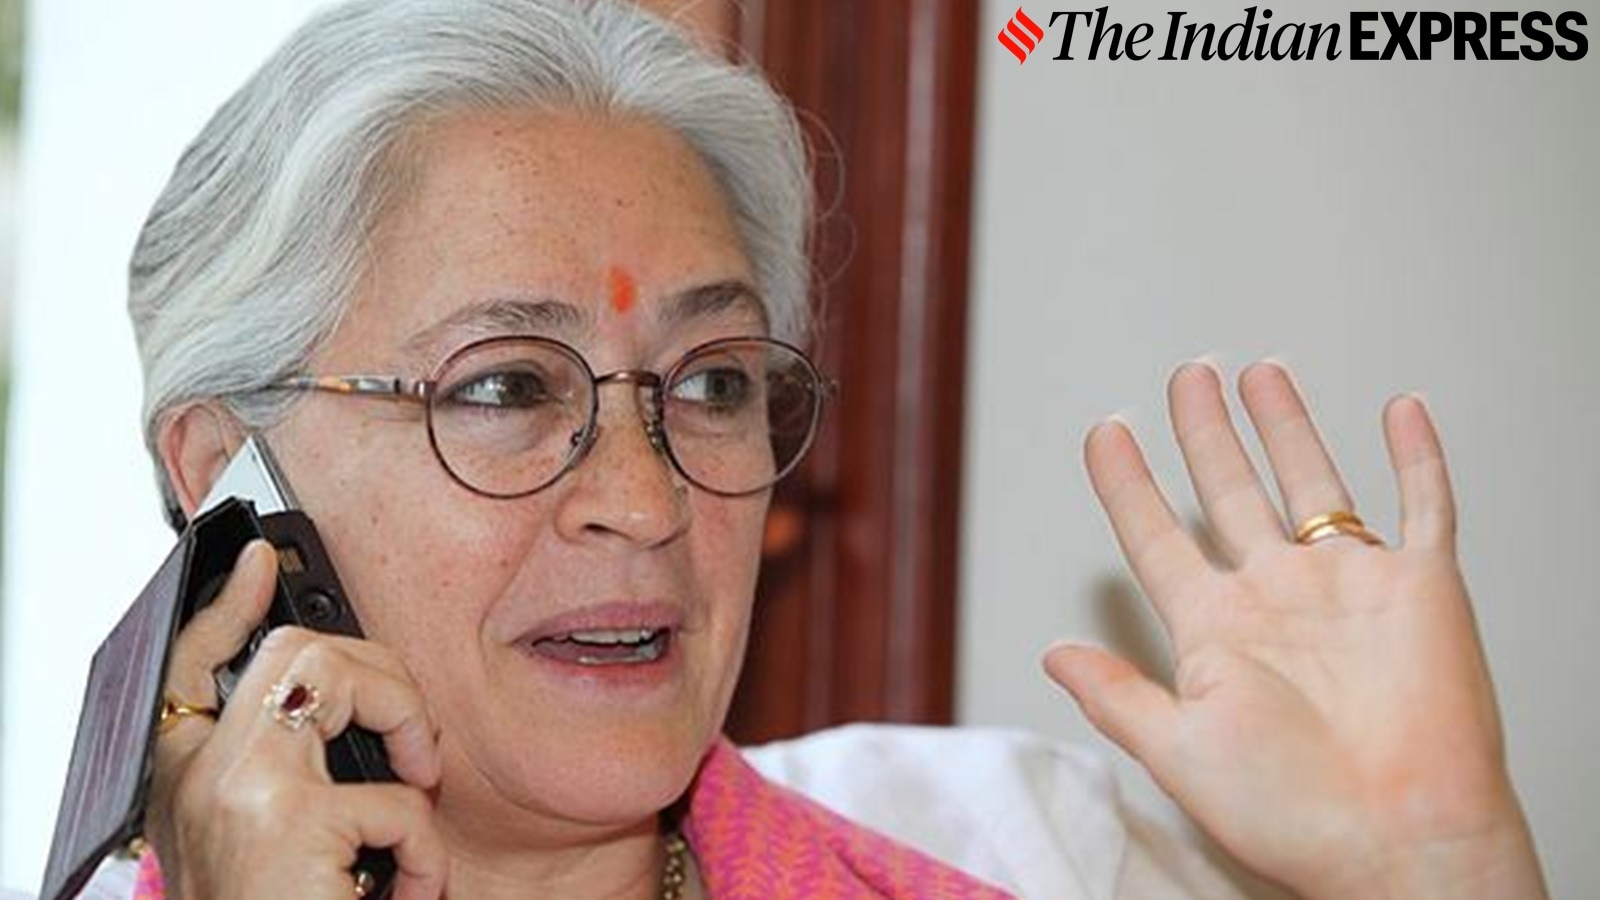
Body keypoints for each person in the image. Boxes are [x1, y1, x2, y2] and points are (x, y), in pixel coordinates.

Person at [113, 0, 1546, 897]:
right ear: (228, 475)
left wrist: (1443, 873)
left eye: (712, 382)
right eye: (504, 387)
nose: (645, 500)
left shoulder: (1017, 855)